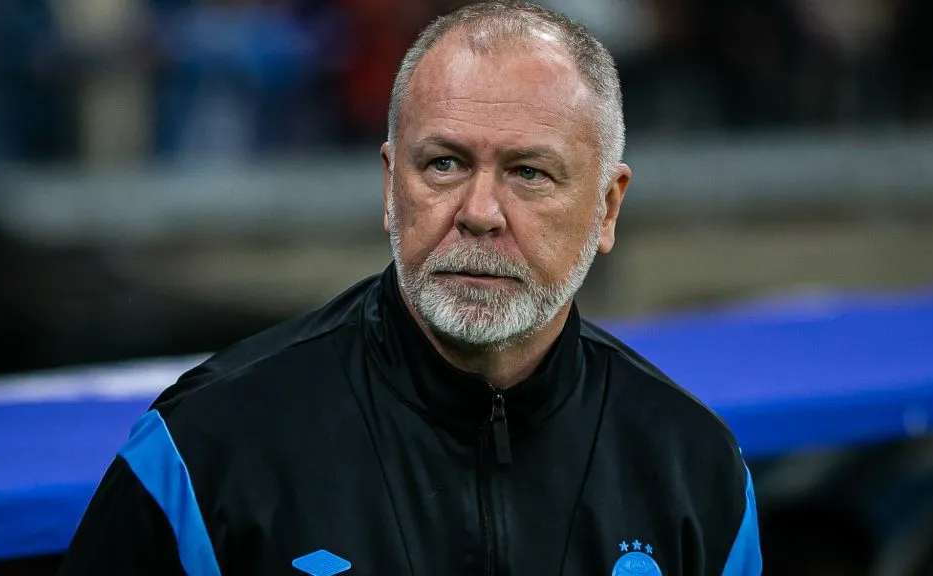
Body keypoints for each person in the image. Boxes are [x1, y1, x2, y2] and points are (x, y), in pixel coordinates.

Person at [58, 1, 762, 574]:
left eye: (529, 173)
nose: (480, 213)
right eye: (445, 164)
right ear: (391, 188)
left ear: (607, 207)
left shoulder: (693, 465)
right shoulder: (205, 450)